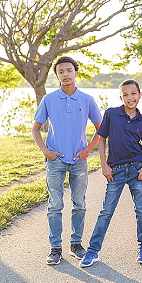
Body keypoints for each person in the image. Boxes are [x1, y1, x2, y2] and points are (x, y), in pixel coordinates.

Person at [32, 56, 102, 265]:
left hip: (78, 161)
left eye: (68, 70)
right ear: (57, 76)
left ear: (75, 72)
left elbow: (101, 129)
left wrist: (87, 150)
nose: (65, 74)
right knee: (55, 205)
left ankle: (76, 245)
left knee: (79, 203)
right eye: (61, 72)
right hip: (55, 160)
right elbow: (35, 129)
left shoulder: (87, 100)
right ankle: (55, 249)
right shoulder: (49, 99)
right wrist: (46, 151)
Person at [80, 79, 142, 267]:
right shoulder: (111, 113)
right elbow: (101, 139)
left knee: (141, 210)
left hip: (137, 170)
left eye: (133, 94)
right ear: (121, 97)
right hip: (116, 170)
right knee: (106, 211)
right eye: (126, 94)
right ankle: (92, 250)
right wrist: (104, 165)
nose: (130, 97)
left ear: (139, 95)